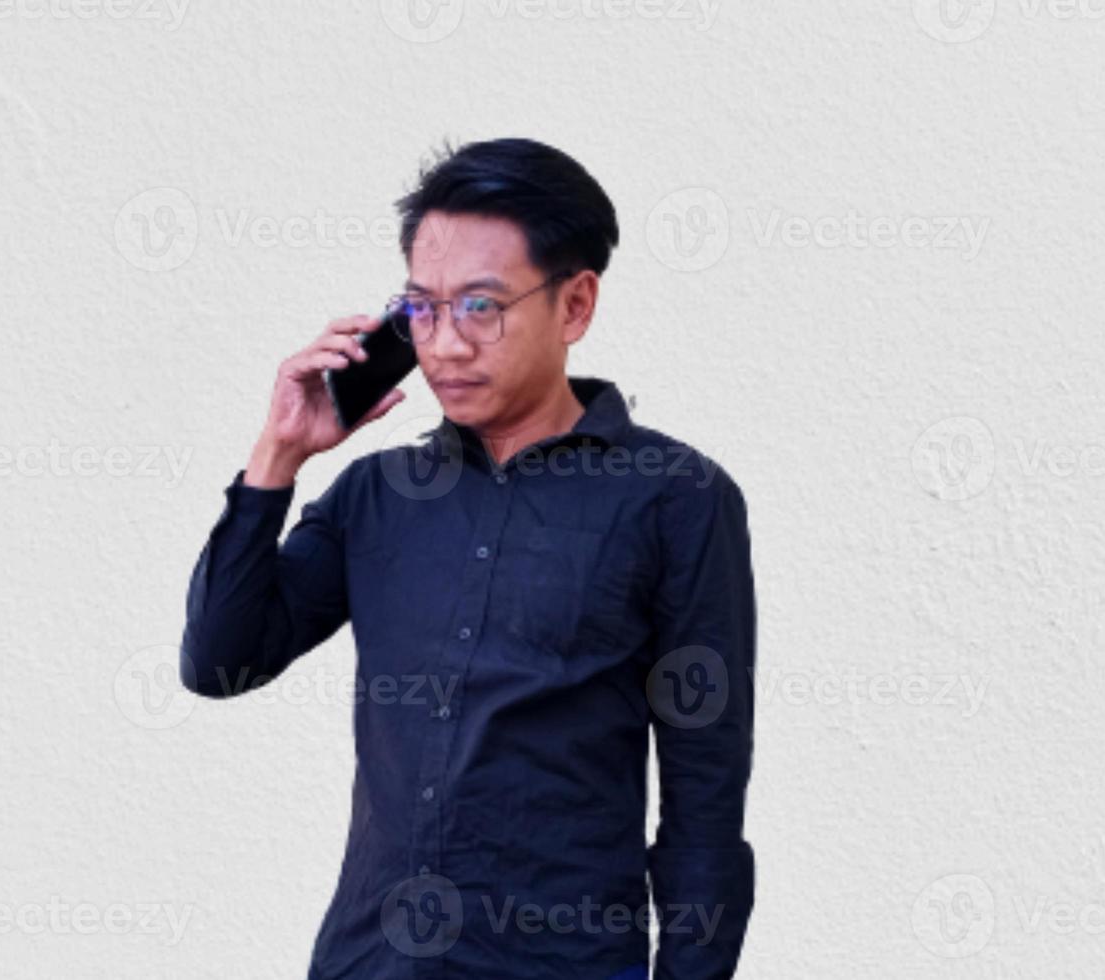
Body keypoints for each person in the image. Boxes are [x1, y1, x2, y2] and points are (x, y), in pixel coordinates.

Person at [181, 137, 757, 979]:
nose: (444, 345)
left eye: (480, 307)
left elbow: (704, 795)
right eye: (421, 308)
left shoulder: (674, 498)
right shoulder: (378, 495)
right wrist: (277, 455)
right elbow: (219, 662)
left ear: (574, 306)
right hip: (368, 961)